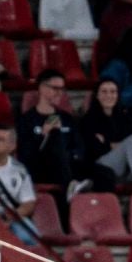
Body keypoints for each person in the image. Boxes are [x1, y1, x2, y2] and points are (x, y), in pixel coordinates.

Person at [16, 69, 85, 197]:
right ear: (41, 88)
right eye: (55, 88)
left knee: (104, 172)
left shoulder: (67, 118)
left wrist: (67, 156)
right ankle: (70, 185)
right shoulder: (27, 120)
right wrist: (43, 134)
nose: (59, 93)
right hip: (40, 168)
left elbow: (79, 148)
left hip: (68, 165)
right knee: (55, 135)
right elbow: (25, 154)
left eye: (62, 89)